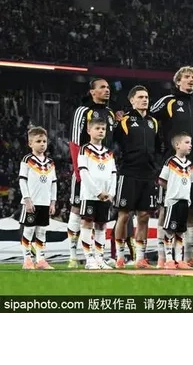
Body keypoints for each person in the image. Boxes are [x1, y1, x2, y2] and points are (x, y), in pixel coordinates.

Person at [150, 66, 193, 268]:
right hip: (173, 165)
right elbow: (147, 119)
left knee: (190, 210)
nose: (191, 80)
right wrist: (158, 146)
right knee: (166, 209)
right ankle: (162, 257)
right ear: (178, 81)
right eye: (187, 77)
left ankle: (187, 257)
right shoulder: (168, 101)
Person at [67, 78, 117, 268]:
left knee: (101, 221)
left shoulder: (110, 113)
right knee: (76, 209)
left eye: (108, 87)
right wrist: (79, 172)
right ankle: (73, 255)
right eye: (102, 87)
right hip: (84, 168)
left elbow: (111, 142)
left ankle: (98, 257)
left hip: (102, 168)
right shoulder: (83, 111)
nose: (107, 90)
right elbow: (74, 141)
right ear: (92, 91)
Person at [113, 85, 160, 268]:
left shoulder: (153, 122)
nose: (144, 100)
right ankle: (120, 256)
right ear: (132, 100)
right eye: (140, 97)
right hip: (128, 172)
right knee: (124, 215)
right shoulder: (124, 121)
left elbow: (158, 147)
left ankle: (140, 257)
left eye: (146, 97)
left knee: (144, 216)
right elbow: (112, 141)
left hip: (148, 174)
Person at [78, 118, 117, 270]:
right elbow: (83, 172)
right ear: (89, 131)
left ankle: (100, 259)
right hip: (89, 195)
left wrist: (111, 193)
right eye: (97, 128)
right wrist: (97, 192)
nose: (101, 131)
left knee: (101, 225)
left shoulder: (108, 152)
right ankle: (89, 259)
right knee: (87, 223)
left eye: (103, 129)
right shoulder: (84, 149)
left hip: (106, 196)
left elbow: (113, 173)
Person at [18, 127, 57, 270]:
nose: (42, 144)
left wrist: (53, 202)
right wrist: (27, 199)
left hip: (45, 202)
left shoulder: (50, 162)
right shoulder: (27, 160)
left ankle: (40, 260)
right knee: (28, 230)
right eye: (38, 141)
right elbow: (22, 180)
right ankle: (27, 259)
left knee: (42, 231)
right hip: (31, 202)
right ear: (30, 144)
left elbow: (53, 183)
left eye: (44, 141)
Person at [157, 132, 193, 270]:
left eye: (190, 143)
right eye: (187, 142)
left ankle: (179, 259)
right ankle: (168, 259)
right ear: (177, 145)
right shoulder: (170, 161)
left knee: (180, 231)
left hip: (185, 201)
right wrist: (172, 189)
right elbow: (161, 180)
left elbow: (189, 182)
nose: (190, 145)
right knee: (170, 230)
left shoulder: (190, 164)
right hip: (173, 201)